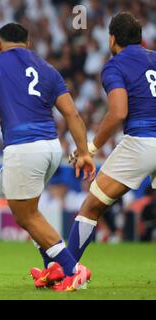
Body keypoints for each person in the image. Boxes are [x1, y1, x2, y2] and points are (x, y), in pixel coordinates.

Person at [0, 23, 96, 291]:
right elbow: (72, 114)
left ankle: (73, 269)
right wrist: (84, 151)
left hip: (24, 147)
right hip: (51, 147)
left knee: (25, 216)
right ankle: (53, 268)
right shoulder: (47, 68)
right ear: (28, 42)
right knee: (31, 212)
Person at [67, 12, 156, 263]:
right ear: (141, 39)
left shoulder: (115, 65)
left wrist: (90, 149)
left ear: (112, 38)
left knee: (92, 207)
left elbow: (118, 113)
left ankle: (68, 271)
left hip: (141, 140)